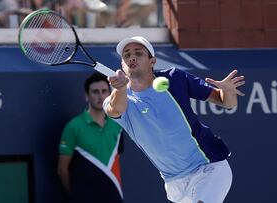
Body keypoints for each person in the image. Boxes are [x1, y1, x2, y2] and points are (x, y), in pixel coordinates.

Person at [103, 36, 246, 203]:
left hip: (208, 167)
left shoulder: (175, 78)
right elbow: (115, 109)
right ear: (122, 65)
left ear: (152, 61)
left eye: (138, 53)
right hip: (174, 183)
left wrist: (228, 91)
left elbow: (227, 103)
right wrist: (119, 88)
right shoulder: (118, 99)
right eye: (127, 55)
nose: (132, 57)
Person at [58, 72, 124, 203]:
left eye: (104, 91)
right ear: (86, 96)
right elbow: (62, 169)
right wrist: (77, 195)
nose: (100, 96)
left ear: (110, 95)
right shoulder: (73, 127)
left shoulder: (118, 125)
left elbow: (116, 159)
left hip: (114, 197)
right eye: (95, 92)